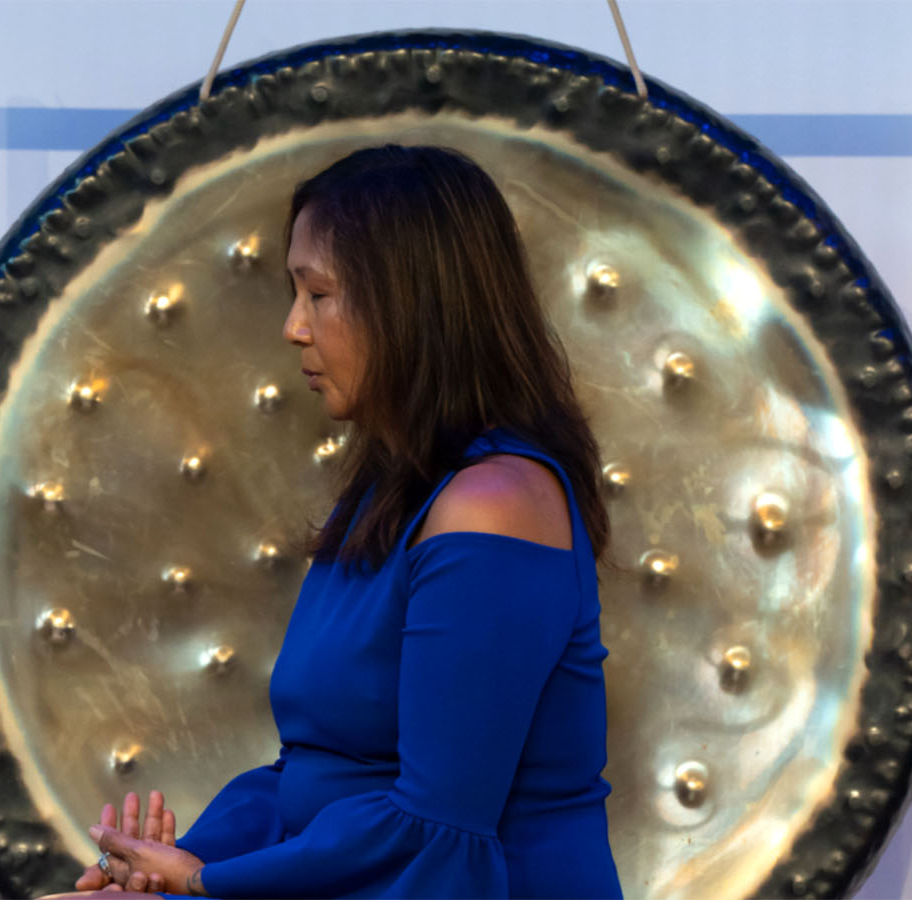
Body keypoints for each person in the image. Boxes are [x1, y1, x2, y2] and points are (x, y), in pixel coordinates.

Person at [44, 144, 622, 899]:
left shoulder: (495, 505)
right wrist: (161, 868)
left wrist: (206, 884)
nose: (293, 327)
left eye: (318, 294)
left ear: (410, 306)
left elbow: (435, 829)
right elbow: (310, 773)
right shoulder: (387, 493)